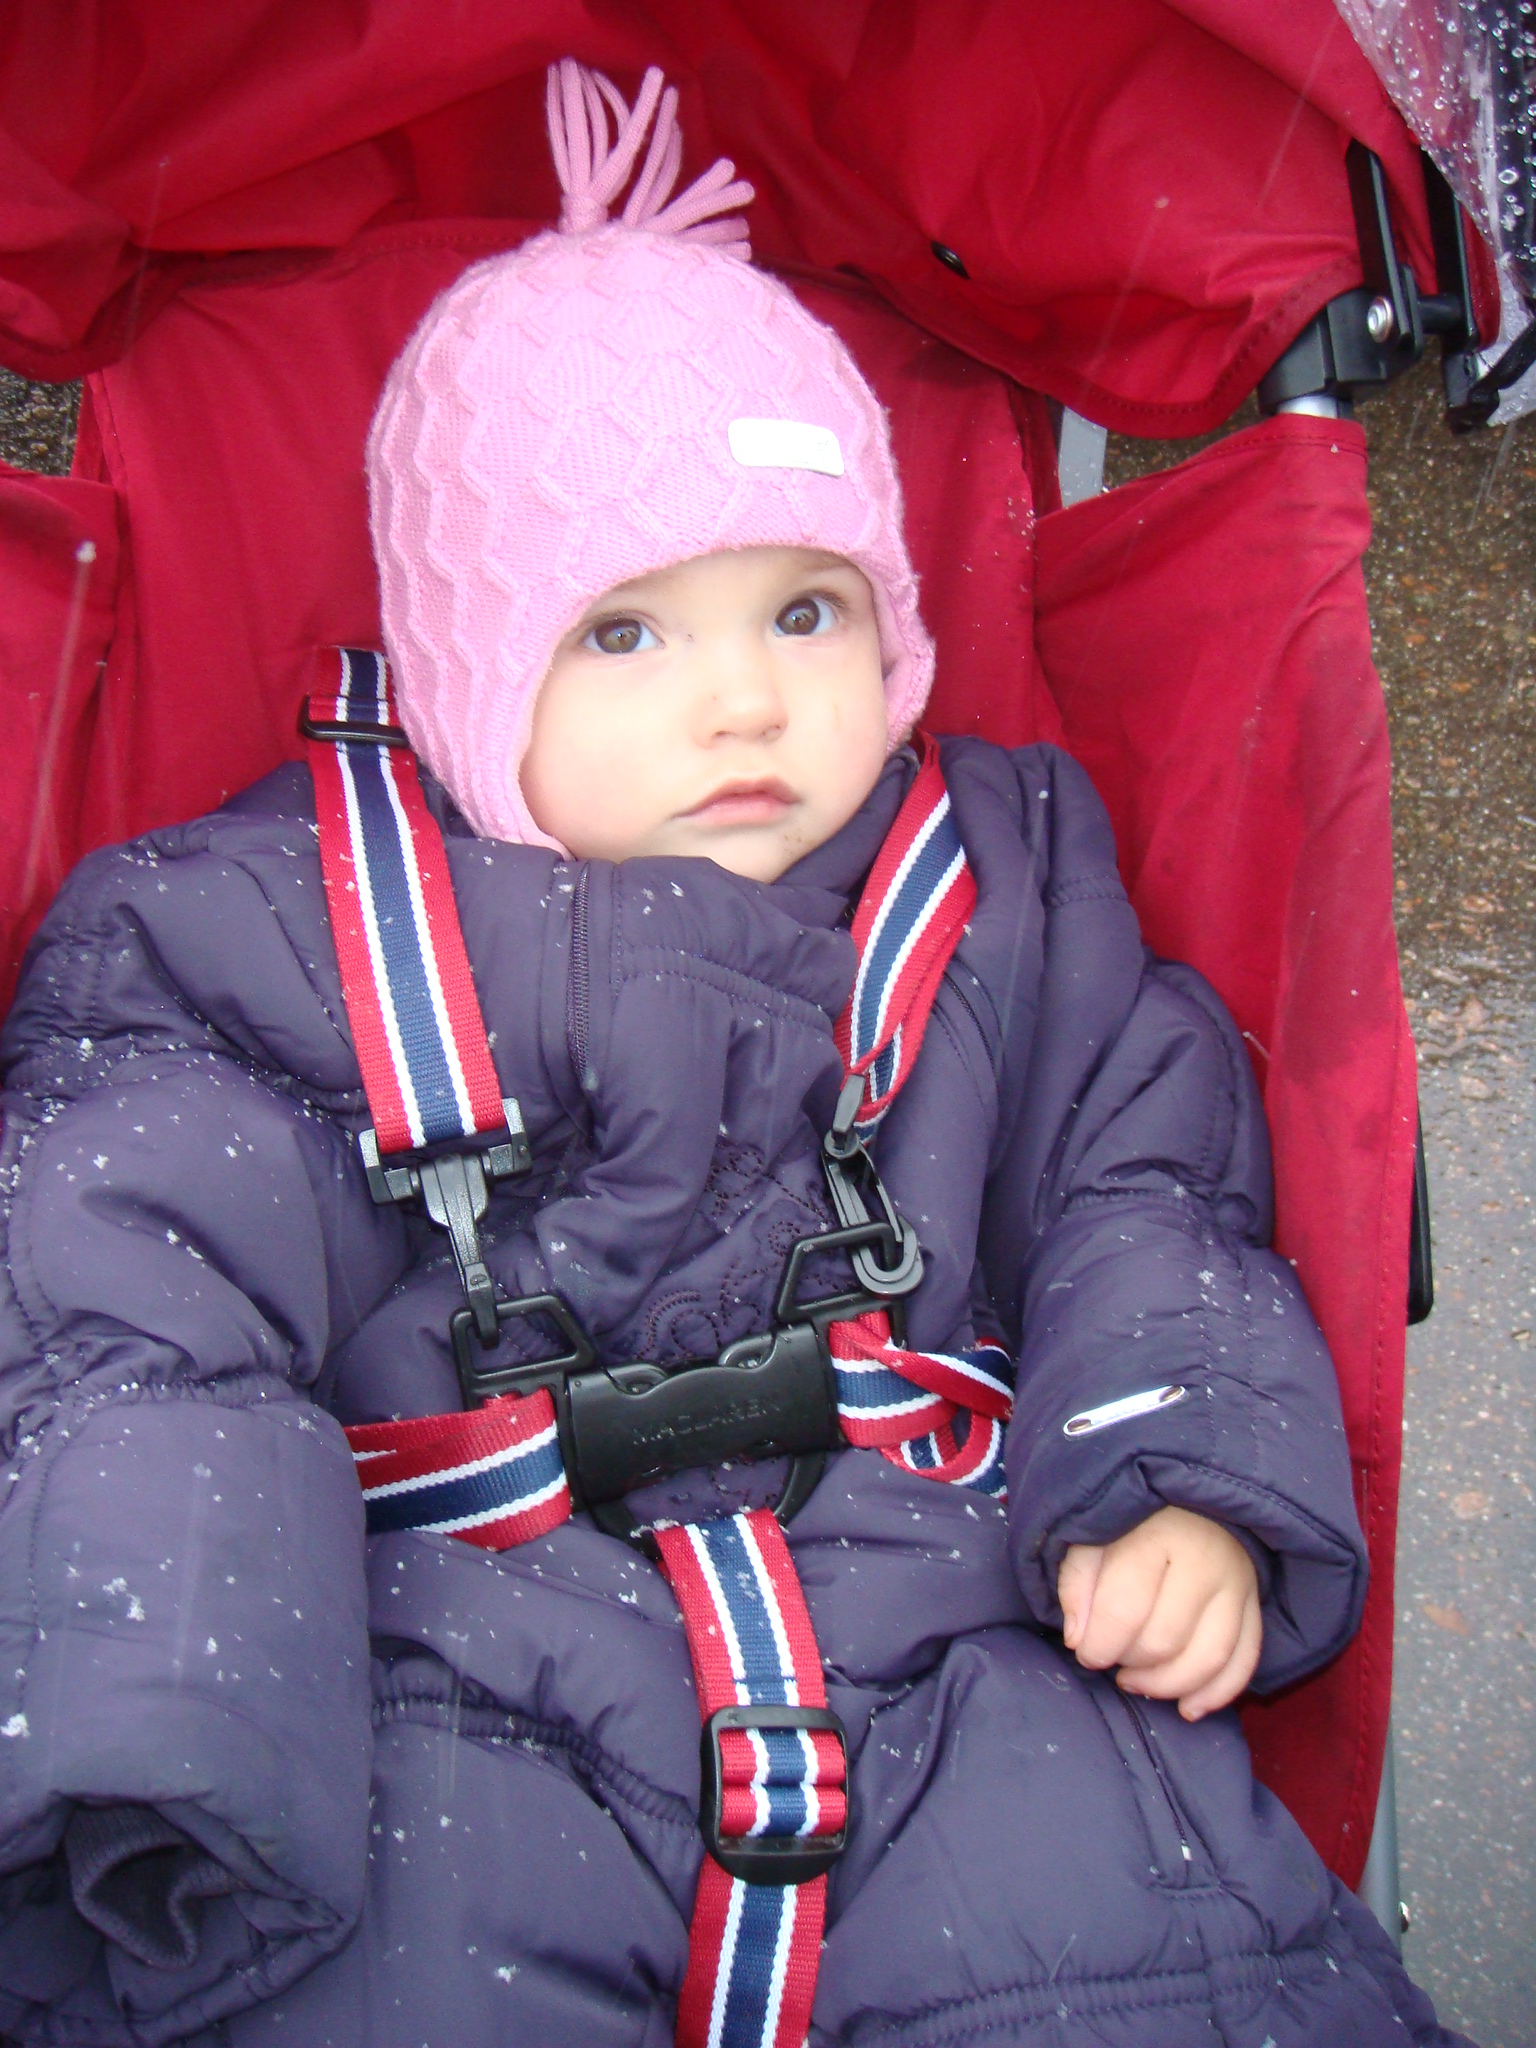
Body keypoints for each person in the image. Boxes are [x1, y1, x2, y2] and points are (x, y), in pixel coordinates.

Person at [0, 58, 1466, 2048]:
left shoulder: (1004, 885)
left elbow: (1148, 1190)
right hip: (442, 1673)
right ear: (469, 670)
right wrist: (162, 1716)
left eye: (806, 610)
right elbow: (127, 1311)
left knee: (1157, 1965)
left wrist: (1173, 1473)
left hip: (969, 1635)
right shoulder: (252, 932)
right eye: (625, 633)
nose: (745, 700)